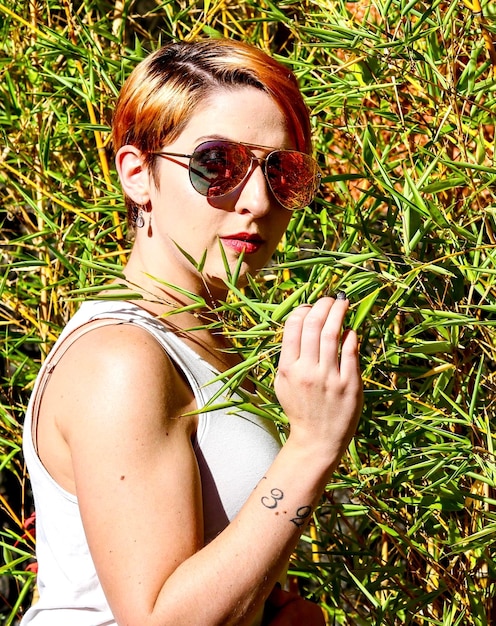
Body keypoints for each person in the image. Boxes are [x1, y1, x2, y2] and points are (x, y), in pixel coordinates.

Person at [21, 38, 363, 625]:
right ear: (138, 174)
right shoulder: (120, 360)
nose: (256, 200)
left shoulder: (201, 338)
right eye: (218, 164)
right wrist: (312, 446)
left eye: (282, 171)